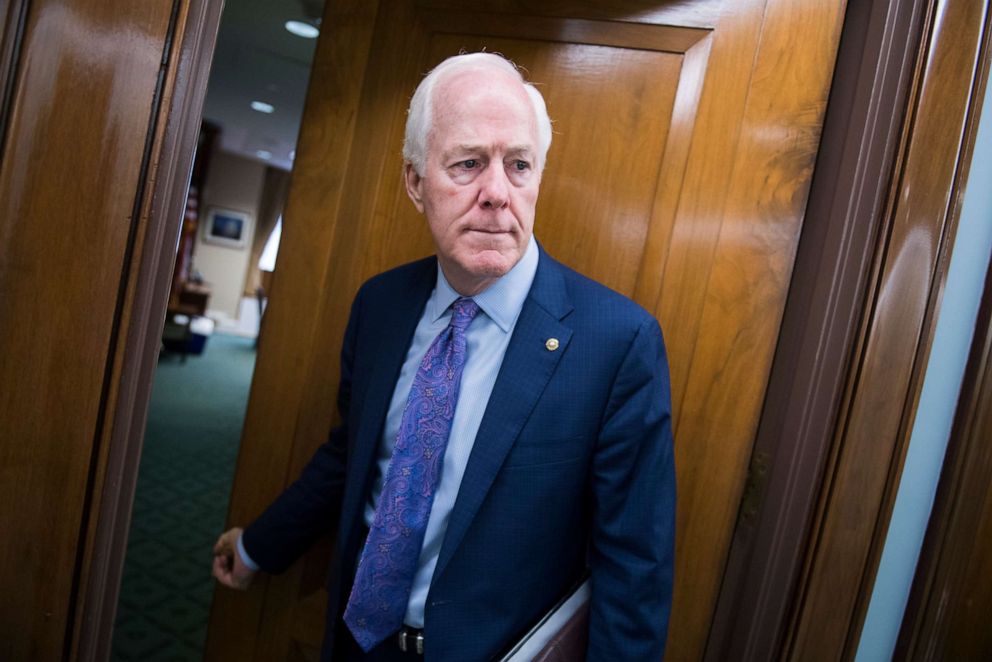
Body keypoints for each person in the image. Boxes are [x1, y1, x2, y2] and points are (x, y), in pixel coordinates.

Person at [213, 52, 676, 661]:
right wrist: (259, 548)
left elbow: (634, 569)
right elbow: (350, 456)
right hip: (358, 643)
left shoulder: (617, 343)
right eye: (467, 164)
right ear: (415, 181)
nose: (496, 194)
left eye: (518, 165)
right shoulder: (379, 306)